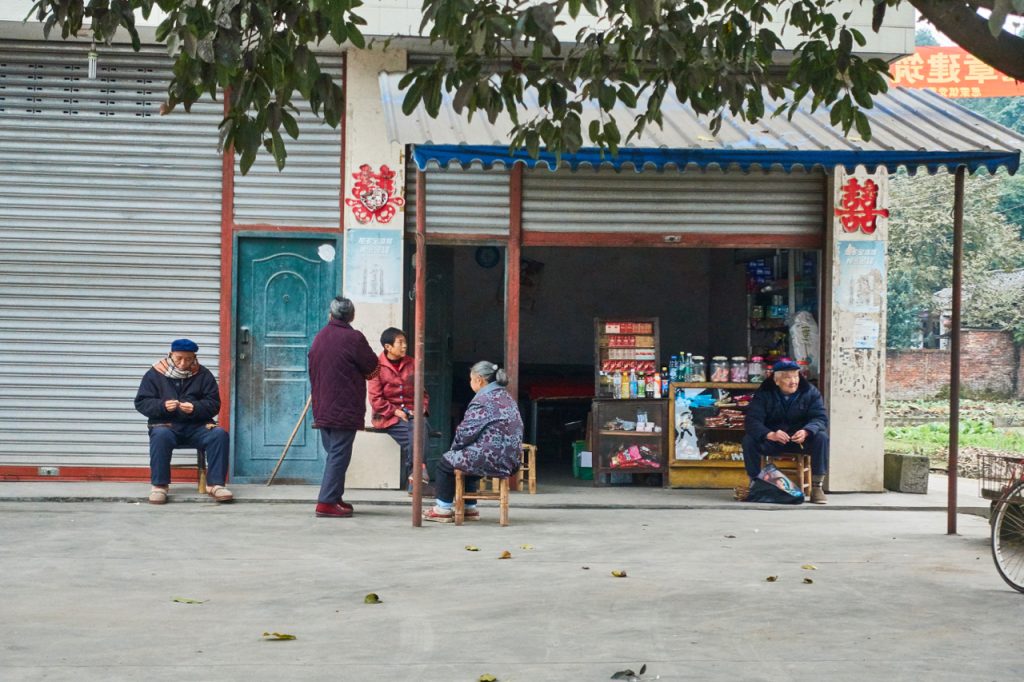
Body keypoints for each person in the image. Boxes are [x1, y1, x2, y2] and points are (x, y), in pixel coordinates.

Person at [423, 361, 524, 523]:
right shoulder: (507, 397)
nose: (470, 383)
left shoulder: (483, 400)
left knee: (445, 463)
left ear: (479, 379)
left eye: (471, 379)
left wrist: (453, 450)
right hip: (511, 460)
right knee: (468, 462)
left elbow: (465, 432)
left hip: (491, 458)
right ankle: (470, 508)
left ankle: (442, 509)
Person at [134, 339, 232, 505]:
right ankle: (159, 486)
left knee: (219, 434)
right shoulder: (155, 373)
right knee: (160, 435)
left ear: (194, 357)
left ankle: (216, 485)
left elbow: (214, 404)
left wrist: (195, 408)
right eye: (179, 358)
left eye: (188, 359)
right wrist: (162, 406)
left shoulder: (203, 374)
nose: (183, 363)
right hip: (166, 426)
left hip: (197, 427)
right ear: (171, 354)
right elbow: (141, 402)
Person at [308, 296, 379, 518]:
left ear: (330, 315)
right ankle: (326, 502)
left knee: (334, 453)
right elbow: (373, 367)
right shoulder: (354, 338)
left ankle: (334, 496)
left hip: (322, 405)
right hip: (344, 407)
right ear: (352, 316)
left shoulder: (320, 337)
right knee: (339, 454)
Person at [742, 359, 830, 504]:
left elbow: (820, 418)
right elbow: (752, 421)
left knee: (821, 437)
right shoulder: (764, 393)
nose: (793, 381)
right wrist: (769, 434)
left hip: (799, 441)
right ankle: (755, 483)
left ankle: (817, 487)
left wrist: (807, 431)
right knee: (749, 440)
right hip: (774, 440)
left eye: (796, 376)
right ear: (777, 380)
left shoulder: (810, 392)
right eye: (788, 377)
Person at [367, 327, 430, 491]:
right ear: (388, 347)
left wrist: (420, 409)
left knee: (419, 426)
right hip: (388, 416)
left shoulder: (413, 363)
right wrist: (395, 411)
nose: (404, 346)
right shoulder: (376, 367)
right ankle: (418, 473)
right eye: (400, 343)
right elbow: (375, 399)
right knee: (416, 434)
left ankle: (414, 475)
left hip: (412, 414)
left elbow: (422, 393)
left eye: (405, 342)